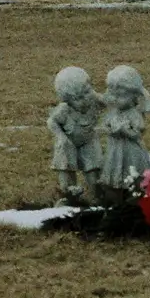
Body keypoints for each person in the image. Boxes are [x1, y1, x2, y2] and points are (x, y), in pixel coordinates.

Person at [96, 64, 150, 194]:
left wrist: (123, 130)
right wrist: (106, 129)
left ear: (134, 96)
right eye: (113, 95)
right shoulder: (114, 112)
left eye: (121, 96)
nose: (116, 100)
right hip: (115, 150)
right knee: (115, 170)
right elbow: (107, 125)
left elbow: (136, 135)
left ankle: (134, 192)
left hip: (131, 151)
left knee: (131, 171)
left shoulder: (134, 114)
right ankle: (116, 192)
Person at [48, 66, 103, 203]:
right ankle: (69, 196)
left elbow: (109, 102)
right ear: (67, 99)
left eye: (87, 92)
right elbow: (52, 122)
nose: (85, 99)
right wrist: (61, 136)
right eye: (78, 98)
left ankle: (96, 195)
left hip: (88, 140)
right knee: (67, 168)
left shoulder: (93, 100)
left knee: (93, 169)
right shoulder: (64, 110)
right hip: (69, 143)